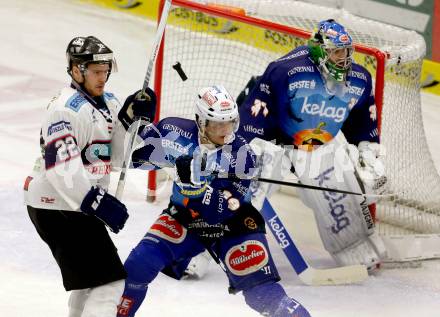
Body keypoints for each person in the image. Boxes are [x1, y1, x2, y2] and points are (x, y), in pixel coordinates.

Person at [116, 85, 311, 317]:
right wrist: (134, 122)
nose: (225, 130)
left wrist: (196, 188)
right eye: (218, 123)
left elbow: (227, 208)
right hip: (184, 219)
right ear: (200, 121)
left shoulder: (243, 154)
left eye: (229, 123)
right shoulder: (172, 131)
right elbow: (131, 158)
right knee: (137, 266)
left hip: (234, 226)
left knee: (263, 295)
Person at [237, 19, 388, 270]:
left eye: (347, 52)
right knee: (239, 191)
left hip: (317, 145)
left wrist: (368, 154)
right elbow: (256, 113)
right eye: (337, 52)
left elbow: (362, 121)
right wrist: (246, 151)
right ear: (319, 50)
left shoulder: (360, 80)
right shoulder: (285, 72)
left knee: (337, 194)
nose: (344, 59)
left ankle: (354, 250)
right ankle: (203, 246)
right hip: (273, 141)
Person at [23, 36, 156, 317]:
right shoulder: (64, 108)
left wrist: (130, 119)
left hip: (72, 206)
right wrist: (97, 202)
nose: (103, 76)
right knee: (109, 284)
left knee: (90, 283)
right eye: (96, 71)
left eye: (105, 70)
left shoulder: (108, 101)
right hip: (56, 204)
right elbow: (61, 168)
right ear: (76, 70)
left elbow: (116, 157)